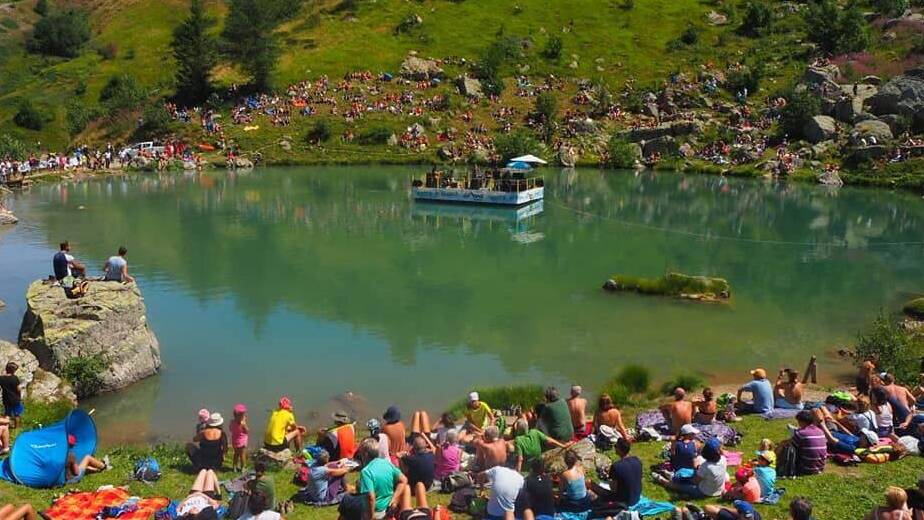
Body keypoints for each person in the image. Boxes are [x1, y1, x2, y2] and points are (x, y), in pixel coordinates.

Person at [653, 437, 727, 499]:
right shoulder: (723, 459)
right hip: (719, 489)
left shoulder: (706, 467)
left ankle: (662, 480)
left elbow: (696, 481)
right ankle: (669, 475)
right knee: (685, 476)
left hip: (704, 492)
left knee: (679, 486)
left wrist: (695, 467)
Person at [358, 440, 409, 520]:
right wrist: (393, 499)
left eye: (360, 452)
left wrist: (370, 517)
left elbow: (371, 497)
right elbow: (404, 480)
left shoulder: (366, 472)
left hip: (376, 512)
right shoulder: (386, 463)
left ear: (365, 454)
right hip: (389, 510)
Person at [595, 438, 642, 508]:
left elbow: (613, 489)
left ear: (619, 449)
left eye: (615, 446)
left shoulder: (616, 466)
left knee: (590, 484)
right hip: (636, 498)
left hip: (623, 501)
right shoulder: (637, 460)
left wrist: (608, 478)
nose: (614, 448)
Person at [789, 410, 827, 475]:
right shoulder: (820, 431)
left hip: (806, 469)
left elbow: (792, 446)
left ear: (802, 421)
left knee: (789, 448)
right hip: (821, 467)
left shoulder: (800, 433)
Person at [0, 362, 22, 429]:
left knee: (7, 414)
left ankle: (6, 427)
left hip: (6, 398)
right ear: (13, 370)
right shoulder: (15, 378)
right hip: (15, 399)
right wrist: (19, 395)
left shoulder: (1, 378)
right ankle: (17, 427)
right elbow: (18, 389)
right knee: (16, 414)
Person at [230, 404, 249, 472]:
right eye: (243, 415)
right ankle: (243, 467)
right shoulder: (242, 424)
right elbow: (247, 431)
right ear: (240, 416)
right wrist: (244, 425)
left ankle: (234, 467)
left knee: (236, 454)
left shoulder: (232, 422)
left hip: (235, 440)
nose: (244, 416)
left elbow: (230, 429)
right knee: (242, 455)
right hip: (242, 441)